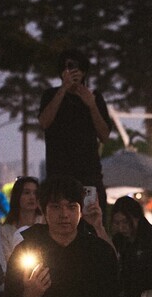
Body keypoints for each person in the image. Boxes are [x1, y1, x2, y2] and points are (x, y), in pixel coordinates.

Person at [38, 49, 114, 209]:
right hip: (58, 174)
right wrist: (63, 89)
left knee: (92, 223)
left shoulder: (94, 97)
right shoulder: (50, 95)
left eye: (77, 67)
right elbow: (44, 122)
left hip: (89, 175)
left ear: (84, 71)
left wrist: (91, 105)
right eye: (68, 67)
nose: (73, 71)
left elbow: (105, 136)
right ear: (61, 72)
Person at [109, 196, 152, 297]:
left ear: (137, 218)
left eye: (125, 222)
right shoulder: (120, 239)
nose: (121, 228)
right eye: (117, 223)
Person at [0, 176, 42, 262]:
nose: (32, 197)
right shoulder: (6, 231)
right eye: (27, 193)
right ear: (17, 196)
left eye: (35, 193)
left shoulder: (45, 223)